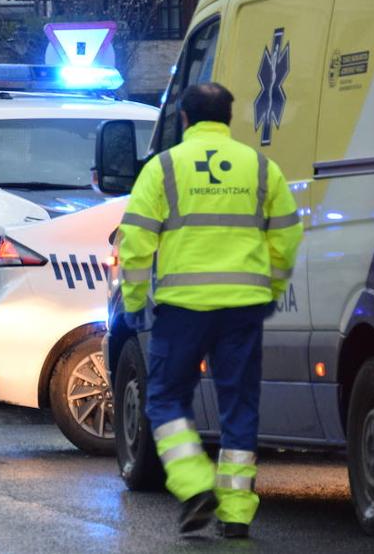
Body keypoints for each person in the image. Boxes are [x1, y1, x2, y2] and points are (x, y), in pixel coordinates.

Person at [118, 83, 303, 538]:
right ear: (228, 117)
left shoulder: (164, 168)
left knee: (164, 399)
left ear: (184, 118)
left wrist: (135, 300)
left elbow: (137, 240)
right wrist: (271, 286)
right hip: (243, 306)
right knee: (239, 405)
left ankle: (195, 484)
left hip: (183, 308)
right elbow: (287, 235)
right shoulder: (260, 167)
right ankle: (237, 511)